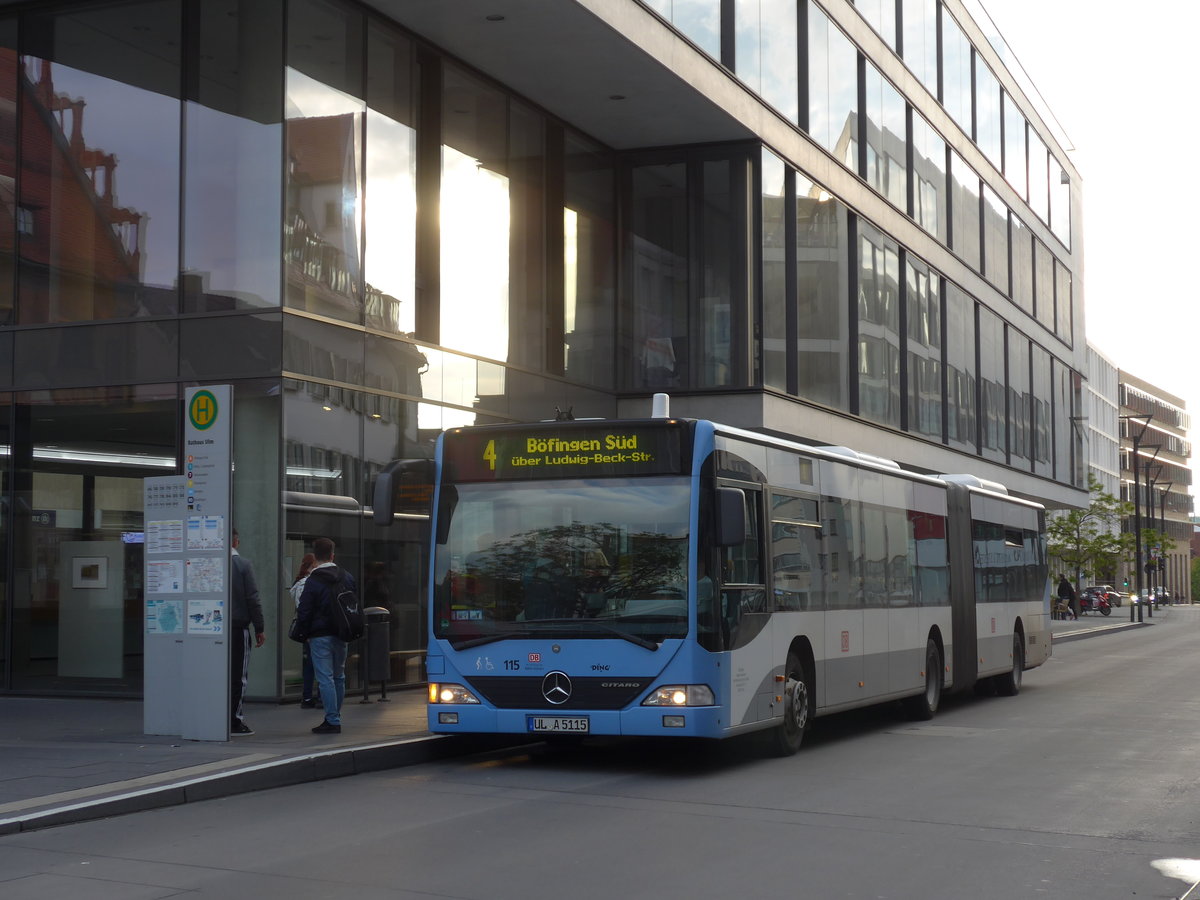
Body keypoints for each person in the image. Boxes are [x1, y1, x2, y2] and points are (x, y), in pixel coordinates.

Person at [295, 537, 356, 734]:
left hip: (320, 635)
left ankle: (332, 720)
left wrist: (303, 632)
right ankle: (335, 716)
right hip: (342, 632)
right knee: (339, 676)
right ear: (332, 555)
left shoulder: (313, 580)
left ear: (316, 557)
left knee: (325, 678)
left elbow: (305, 610)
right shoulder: (346, 576)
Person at [230, 528, 265, 735]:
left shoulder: (210, 563)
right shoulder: (242, 565)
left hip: (213, 628)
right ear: (236, 542)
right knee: (238, 676)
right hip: (237, 627)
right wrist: (259, 627)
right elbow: (253, 598)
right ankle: (235, 720)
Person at [290, 552, 319, 708]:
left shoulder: (302, 583)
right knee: (314, 664)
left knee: (311, 664)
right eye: (315, 564)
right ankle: (308, 697)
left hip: (310, 629)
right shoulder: (305, 584)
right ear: (310, 566)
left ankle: (308, 697)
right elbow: (304, 609)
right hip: (312, 630)